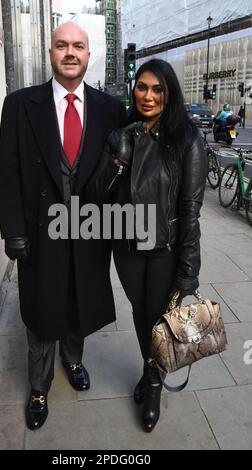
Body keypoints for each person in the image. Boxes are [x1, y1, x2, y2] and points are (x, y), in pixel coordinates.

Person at [0, 22, 126, 430]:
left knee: (78, 300)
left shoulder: (110, 109)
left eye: (79, 46)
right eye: (62, 45)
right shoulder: (20, 105)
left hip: (89, 231)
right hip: (39, 232)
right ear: (50, 53)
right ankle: (38, 386)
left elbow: (122, 174)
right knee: (40, 310)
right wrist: (12, 229)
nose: (70, 53)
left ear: (89, 56)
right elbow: (9, 172)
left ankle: (73, 360)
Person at [87, 59, 207, 433]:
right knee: (141, 313)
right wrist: (118, 158)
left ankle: (153, 383)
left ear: (168, 92)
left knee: (157, 316)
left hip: (164, 249)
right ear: (133, 90)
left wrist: (189, 268)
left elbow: (190, 208)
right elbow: (94, 195)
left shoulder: (186, 138)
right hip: (126, 246)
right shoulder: (124, 132)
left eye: (158, 89)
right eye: (142, 87)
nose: (149, 96)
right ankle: (149, 367)